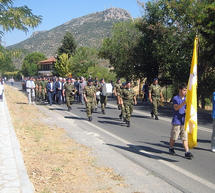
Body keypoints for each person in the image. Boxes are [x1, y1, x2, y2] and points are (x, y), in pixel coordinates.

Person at [169, 84, 193, 159]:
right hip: (177, 121)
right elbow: (176, 108)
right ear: (180, 90)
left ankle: (187, 152)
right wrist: (183, 103)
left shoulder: (186, 99)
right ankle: (171, 147)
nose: (185, 92)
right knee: (174, 137)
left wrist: (189, 112)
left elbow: (185, 109)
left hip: (183, 121)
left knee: (184, 138)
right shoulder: (176, 98)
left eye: (186, 90)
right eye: (184, 90)